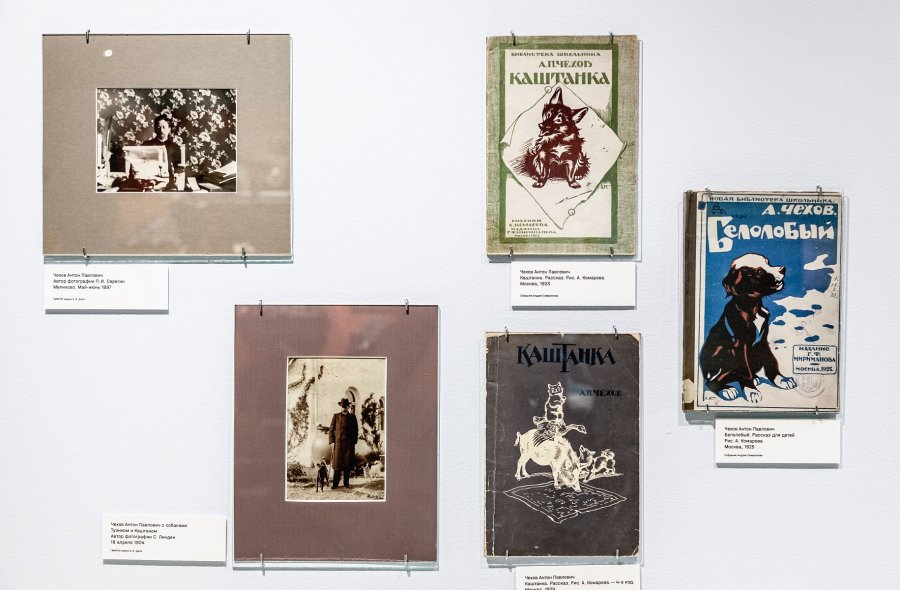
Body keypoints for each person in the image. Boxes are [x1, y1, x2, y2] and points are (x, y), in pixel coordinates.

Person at [142, 113, 182, 189]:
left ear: (169, 129)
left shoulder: (175, 147)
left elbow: (178, 167)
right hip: (150, 182)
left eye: (164, 127)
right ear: (155, 129)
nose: (161, 130)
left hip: (170, 182)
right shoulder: (147, 145)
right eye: (158, 127)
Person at [329, 396, 359, 489]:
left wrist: (354, 442)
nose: (344, 408)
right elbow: (331, 430)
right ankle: (335, 484)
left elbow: (355, 431)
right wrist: (332, 441)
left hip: (349, 445)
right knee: (337, 465)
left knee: (347, 464)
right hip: (338, 444)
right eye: (342, 406)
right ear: (341, 407)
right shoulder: (336, 416)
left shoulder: (352, 417)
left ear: (348, 407)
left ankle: (346, 483)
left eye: (345, 406)